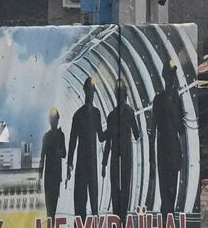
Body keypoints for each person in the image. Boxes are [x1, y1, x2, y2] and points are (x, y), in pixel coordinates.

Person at [101, 79, 142, 218]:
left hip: (114, 156)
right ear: (126, 94)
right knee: (125, 186)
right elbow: (136, 134)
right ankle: (123, 218)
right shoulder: (130, 112)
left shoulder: (111, 115)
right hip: (126, 155)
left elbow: (108, 142)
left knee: (115, 187)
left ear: (115, 94)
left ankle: (116, 216)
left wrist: (104, 164)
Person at [148, 62, 186, 214]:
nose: (172, 78)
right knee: (165, 191)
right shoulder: (158, 100)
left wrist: (173, 109)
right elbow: (153, 130)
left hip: (171, 148)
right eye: (170, 75)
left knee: (171, 190)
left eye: (173, 75)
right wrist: (151, 160)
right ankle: (166, 221)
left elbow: (181, 129)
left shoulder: (176, 99)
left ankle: (168, 220)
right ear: (165, 76)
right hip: (164, 148)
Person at [66, 78, 102, 217]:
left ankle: (83, 227)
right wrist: (69, 163)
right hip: (89, 162)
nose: (91, 94)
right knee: (91, 198)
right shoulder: (94, 114)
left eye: (92, 91)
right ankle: (88, 226)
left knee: (82, 200)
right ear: (86, 92)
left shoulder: (80, 114)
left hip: (83, 162)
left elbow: (73, 141)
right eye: (90, 91)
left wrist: (115, 130)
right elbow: (72, 141)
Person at [37, 107, 66, 217]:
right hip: (51, 175)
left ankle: (51, 223)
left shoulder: (59, 136)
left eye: (55, 119)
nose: (54, 121)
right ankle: (51, 223)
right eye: (53, 119)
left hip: (53, 175)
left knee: (52, 204)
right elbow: (42, 156)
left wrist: (59, 152)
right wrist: (39, 176)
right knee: (49, 206)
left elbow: (64, 153)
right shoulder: (50, 136)